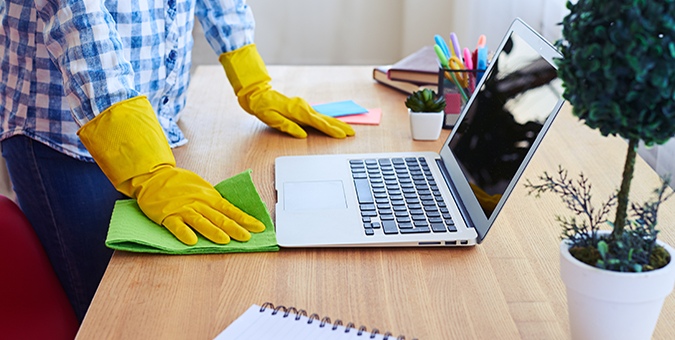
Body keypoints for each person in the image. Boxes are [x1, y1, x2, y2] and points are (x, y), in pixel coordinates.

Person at [0, 0, 354, 322]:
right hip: (61, 131)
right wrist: (147, 168)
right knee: (114, 313)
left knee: (174, 295)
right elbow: (79, 20)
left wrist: (251, 78)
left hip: (155, 116)